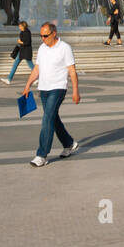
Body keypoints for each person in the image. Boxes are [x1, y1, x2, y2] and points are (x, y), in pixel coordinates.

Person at [24, 21, 80, 167]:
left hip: (58, 88)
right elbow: (36, 69)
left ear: (54, 33)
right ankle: (69, 143)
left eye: (45, 35)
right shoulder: (42, 48)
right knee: (53, 119)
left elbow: (72, 71)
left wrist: (75, 91)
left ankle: (41, 155)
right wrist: (28, 84)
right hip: (43, 89)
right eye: (41, 36)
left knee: (47, 119)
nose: (43, 38)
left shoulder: (65, 48)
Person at [0, 19, 34, 86]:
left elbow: (28, 42)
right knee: (15, 65)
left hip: (26, 52)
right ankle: (9, 79)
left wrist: (20, 42)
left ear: (23, 26)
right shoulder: (22, 32)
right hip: (21, 51)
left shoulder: (27, 32)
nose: (19, 27)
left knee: (31, 66)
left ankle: (38, 78)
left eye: (20, 26)